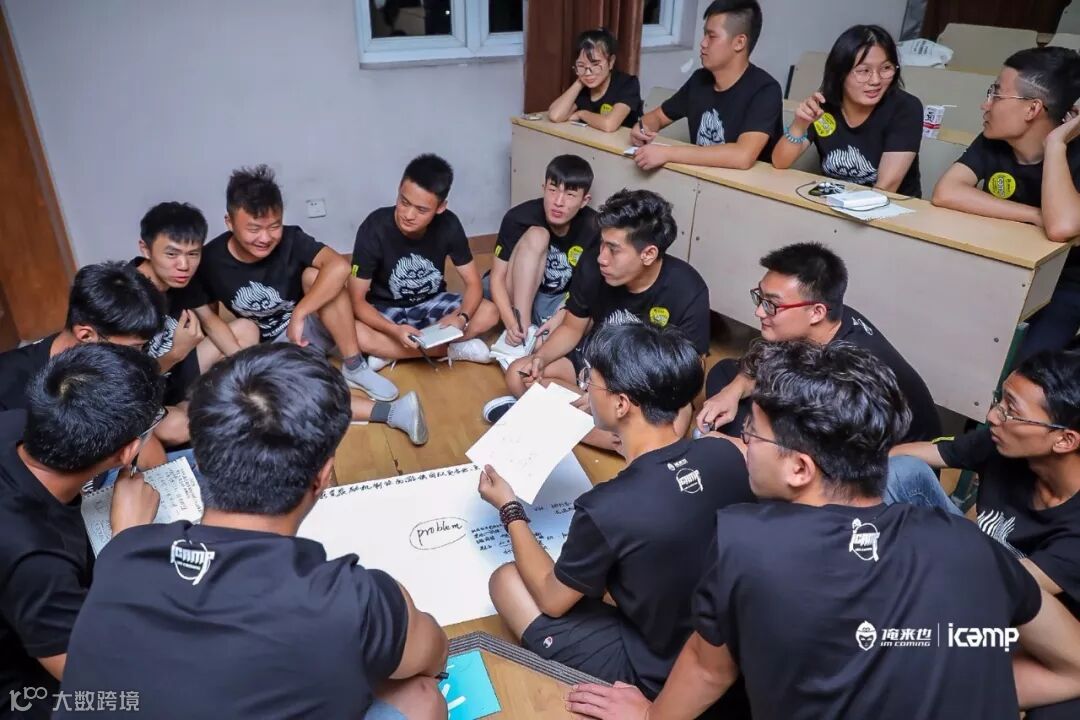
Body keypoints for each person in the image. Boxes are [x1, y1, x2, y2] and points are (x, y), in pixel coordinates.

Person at [566, 341, 1080, 720]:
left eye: (752, 434)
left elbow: (708, 669)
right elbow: (1073, 666)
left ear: (799, 468)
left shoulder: (747, 543)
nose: (744, 444)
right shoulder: (971, 545)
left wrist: (649, 715)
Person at [57, 344, 449, 720]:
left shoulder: (123, 554)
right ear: (323, 476)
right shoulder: (351, 599)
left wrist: (127, 540)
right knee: (420, 696)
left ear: (201, 458)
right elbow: (433, 655)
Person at [479, 322, 753, 717]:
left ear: (622, 404)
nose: (585, 389)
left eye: (590, 382)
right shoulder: (725, 453)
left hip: (667, 673)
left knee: (506, 580)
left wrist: (509, 508)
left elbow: (552, 600)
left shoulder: (607, 506)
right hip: (728, 649)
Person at [892, 348, 1080, 719]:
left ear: (1064, 440)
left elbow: (1000, 591)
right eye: (1001, 400)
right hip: (980, 565)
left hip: (1034, 618)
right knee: (900, 472)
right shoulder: (1005, 443)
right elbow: (915, 457)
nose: (993, 416)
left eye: (1011, 410)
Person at [190, 165, 425, 442]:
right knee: (291, 392)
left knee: (318, 277)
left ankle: (356, 365)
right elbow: (211, 319)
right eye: (253, 229)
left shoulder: (291, 239)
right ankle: (393, 412)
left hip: (310, 326)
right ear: (229, 222)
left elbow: (339, 266)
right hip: (274, 346)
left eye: (274, 226)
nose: (265, 238)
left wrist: (300, 313)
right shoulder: (211, 260)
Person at [0, 344, 165, 719]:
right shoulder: (35, 559)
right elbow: (91, 677)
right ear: (128, 452)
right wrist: (127, 541)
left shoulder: (13, 422)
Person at [486, 189, 710, 452]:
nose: (602, 257)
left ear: (648, 254)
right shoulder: (594, 265)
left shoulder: (687, 288)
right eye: (602, 244)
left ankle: (553, 418)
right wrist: (541, 358)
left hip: (648, 387)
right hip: (593, 368)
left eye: (613, 249)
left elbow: (689, 375)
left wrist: (610, 396)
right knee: (519, 373)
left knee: (674, 425)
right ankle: (615, 436)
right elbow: (572, 327)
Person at [698, 242, 941, 444]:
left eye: (772, 304)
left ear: (816, 312)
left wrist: (738, 447)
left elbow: (828, 456)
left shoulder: (847, 373)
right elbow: (765, 357)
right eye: (760, 297)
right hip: (826, 420)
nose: (760, 312)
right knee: (726, 375)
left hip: (881, 462)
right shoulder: (827, 319)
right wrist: (733, 391)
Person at [932, 47, 1080, 359]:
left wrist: (1055, 144)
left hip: (1064, 284)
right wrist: (1033, 214)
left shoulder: (1073, 151)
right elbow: (947, 191)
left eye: (996, 94)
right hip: (1001, 266)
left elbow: (1061, 227)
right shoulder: (993, 140)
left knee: (1024, 367)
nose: (985, 104)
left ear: (1032, 109)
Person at [0, 261, 168, 471]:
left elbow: (145, 444)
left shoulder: (116, 367)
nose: (139, 357)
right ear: (86, 335)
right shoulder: (9, 386)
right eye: (134, 348)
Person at [348, 154, 498, 366]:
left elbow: (474, 283)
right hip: (385, 309)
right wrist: (393, 330)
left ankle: (392, 351)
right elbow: (357, 300)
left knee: (489, 312)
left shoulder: (449, 224)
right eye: (404, 202)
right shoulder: (374, 227)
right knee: (352, 330)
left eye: (421, 210)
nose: (408, 215)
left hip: (431, 303)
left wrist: (461, 318)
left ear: (440, 207)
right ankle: (449, 348)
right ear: (399, 189)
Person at [131, 201, 259, 446]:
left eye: (193, 254)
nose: (184, 266)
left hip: (178, 375)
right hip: (146, 390)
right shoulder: (126, 292)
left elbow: (210, 321)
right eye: (171, 254)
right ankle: (219, 408)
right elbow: (126, 379)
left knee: (246, 329)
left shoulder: (182, 280)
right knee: (175, 428)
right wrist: (176, 352)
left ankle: (210, 407)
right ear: (145, 249)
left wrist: (250, 371)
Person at [772, 24, 923, 197]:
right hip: (834, 203)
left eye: (886, 68)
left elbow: (886, 187)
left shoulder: (905, 108)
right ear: (840, 73)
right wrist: (800, 125)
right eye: (864, 71)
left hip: (888, 207)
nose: (875, 80)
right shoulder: (824, 105)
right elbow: (780, 162)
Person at [629, 0, 782, 171]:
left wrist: (668, 153)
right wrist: (642, 128)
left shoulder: (766, 90)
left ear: (739, 42)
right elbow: (657, 117)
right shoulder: (699, 80)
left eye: (712, 36)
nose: (703, 43)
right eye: (704, 34)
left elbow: (742, 156)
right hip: (701, 179)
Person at [485, 155, 599, 352]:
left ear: (584, 201)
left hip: (557, 301)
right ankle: (524, 329)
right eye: (552, 190)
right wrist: (512, 323)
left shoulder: (594, 228)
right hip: (514, 292)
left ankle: (529, 344)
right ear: (544, 188)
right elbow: (497, 278)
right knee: (538, 235)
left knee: (588, 321)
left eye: (570, 195)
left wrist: (562, 316)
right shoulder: (518, 217)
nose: (558, 202)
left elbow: (588, 289)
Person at [547, 28, 643, 132]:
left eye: (595, 64)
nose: (588, 73)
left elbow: (609, 124)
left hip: (622, 141)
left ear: (611, 62)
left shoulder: (627, 84)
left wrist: (581, 114)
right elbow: (555, 115)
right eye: (581, 65)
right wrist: (579, 81)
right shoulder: (584, 87)